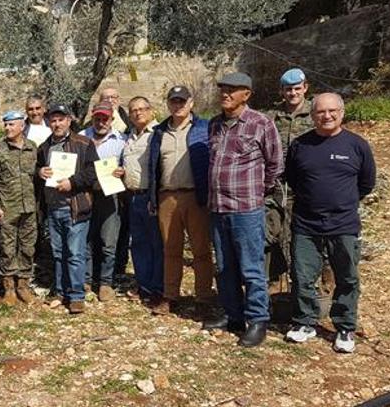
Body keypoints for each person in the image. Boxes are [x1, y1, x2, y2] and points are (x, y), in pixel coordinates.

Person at [284, 93, 375, 353]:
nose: (327, 116)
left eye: (332, 111)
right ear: (312, 115)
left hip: (344, 225)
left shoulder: (357, 145)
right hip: (306, 224)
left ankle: (345, 327)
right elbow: (292, 178)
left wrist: (341, 203)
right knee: (302, 276)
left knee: (347, 277)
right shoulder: (300, 145)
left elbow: (366, 183)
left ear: (342, 113)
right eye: (321, 112)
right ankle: (305, 322)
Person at [204, 72, 283, 348]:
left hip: (246, 209)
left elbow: (275, 164)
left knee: (251, 268)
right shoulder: (214, 125)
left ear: (246, 94)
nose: (225, 94)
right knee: (224, 267)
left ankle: (258, 319)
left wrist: (260, 190)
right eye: (223, 89)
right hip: (218, 208)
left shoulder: (261, 123)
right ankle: (233, 314)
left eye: (232, 90)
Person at [147, 86, 215, 316]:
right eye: (173, 101)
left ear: (191, 103)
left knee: (201, 250)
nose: (178, 105)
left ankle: (204, 298)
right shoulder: (159, 132)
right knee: (170, 249)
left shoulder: (205, 128)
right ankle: (170, 296)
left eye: (182, 101)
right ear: (168, 104)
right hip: (167, 196)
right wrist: (152, 197)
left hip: (196, 196)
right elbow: (152, 167)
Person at [36, 104, 99, 314]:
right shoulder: (44, 147)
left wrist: (73, 182)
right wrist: (40, 172)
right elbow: (38, 172)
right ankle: (61, 291)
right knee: (58, 252)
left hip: (75, 207)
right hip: (53, 208)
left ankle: (76, 296)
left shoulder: (84, 143)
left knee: (75, 253)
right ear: (48, 123)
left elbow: (93, 172)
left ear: (69, 121)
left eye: (60, 119)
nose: (57, 124)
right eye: (53, 120)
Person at [264, 69, 315, 290]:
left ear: (305, 88)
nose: (292, 93)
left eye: (297, 88)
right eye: (288, 89)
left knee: (304, 236)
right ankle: (275, 282)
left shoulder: (317, 113)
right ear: (282, 91)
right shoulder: (272, 118)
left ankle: (309, 284)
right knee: (273, 233)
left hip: (307, 186)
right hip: (278, 186)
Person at [112, 97, 163, 306]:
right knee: (139, 245)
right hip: (132, 197)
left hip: (151, 196)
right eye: (133, 110)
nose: (138, 113)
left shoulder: (158, 134)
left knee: (156, 244)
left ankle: (159, 288)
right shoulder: (130, 137)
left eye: (142, 109)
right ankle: (144, 287)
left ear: (151, 111)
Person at [0, 111, 39, 306]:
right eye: (6, 125)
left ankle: (23, 285)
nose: (8, 128)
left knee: (27, 247)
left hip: (29, 207)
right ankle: (8, 287)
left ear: (22, 126)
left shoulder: (32, 148)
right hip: (8, 207)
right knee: (8, 248)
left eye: (12, 125)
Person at [79, 101, 126, 301]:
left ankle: (106, 282)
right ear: (92, 117)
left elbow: (128, 166)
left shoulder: (121, 141)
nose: (100, 122)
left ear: (111, 119)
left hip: (110, 196)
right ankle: (87, 280)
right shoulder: (81, 137)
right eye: (97, 118)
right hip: (85, 195)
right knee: (86, 240)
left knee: (109, 241)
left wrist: (122, 171)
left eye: (104, 119)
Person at [98, 87, 132, 279]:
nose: (110, 100)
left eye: (114, 97)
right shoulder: (88, 129)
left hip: (118, 192)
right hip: (94, 191)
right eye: (106, 97)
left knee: (119, 232)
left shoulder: (127, 126)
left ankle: (118, 268)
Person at [23, 95, 53, 290]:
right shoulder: (22, 130)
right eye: (30, 109)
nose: (34, 112)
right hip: (29, 185)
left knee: (50, 225)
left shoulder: (53, 126)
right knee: (32, 223)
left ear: (44, 109)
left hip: (53, 185)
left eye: (37, 108)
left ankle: (49, 266)